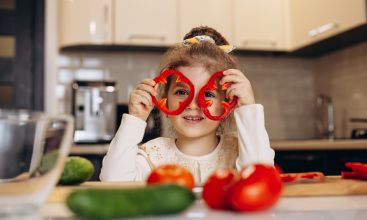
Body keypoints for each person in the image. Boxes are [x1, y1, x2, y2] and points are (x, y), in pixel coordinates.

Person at [100, 26, 275, 184]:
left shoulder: (241, 150)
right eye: (182, 92)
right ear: (164, 100)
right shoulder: (152, 155)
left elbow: (261, 179)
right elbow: (113, 181)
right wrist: (135, 119)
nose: (193, 104)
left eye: (208, 94)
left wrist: (248, 109)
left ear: (227, 104)